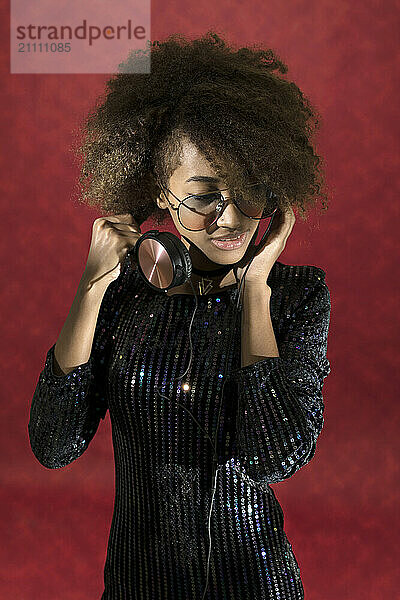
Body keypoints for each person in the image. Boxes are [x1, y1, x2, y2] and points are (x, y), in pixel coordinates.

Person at [28, 31, 332, 600]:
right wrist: (91, 288)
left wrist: (256, 292)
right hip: (137, 584)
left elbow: (277, 455)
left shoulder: (298, 296)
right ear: (161, 194)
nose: (232, 217)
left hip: (252, 586)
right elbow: (53, 444)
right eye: (205, 195)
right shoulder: (125, 293)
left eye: (250, 190)